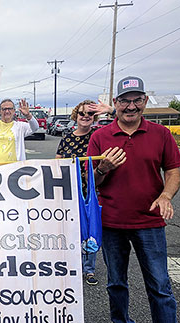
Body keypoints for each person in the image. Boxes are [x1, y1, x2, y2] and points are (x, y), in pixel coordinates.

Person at [87, 76, 180, 323]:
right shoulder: (100, 136)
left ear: (144, 101)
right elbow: (92, 181)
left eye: (136, 100)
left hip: (149, 222)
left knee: (159, 285)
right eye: (124, 100)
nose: (130, 106)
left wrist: (165, 196)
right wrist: (103, 168)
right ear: (115, 103)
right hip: (112, 221)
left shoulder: (161, 134)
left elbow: (173, 171)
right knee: (116, 282)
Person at [55, 100, 111, 286]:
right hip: (69, 190)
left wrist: (110, 110)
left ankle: (89, 269)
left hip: (91, 190)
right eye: (82, 113)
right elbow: (57, 161)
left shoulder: (98, 136)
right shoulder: (67, 138)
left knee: (90, 227)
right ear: (75, 116)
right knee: (71, 229)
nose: (85, 117)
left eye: (89, 114)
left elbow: (121, 124)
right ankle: (72, 265)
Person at [0, 99, 39, 163]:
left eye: (10, 109)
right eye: (4, 109)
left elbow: (35, 128)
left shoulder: (20, 126)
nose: (7, 111)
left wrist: (28, 115)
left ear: (14, 111)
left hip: (14, 167)